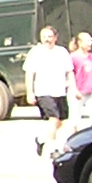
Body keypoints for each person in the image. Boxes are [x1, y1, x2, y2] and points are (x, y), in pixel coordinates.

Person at [23, 24, 71, 156]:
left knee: (61, 122)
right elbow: (29, 73)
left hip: (59, 91)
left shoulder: (62, 52)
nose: (46, 39)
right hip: (43, 91)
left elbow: (69, 71)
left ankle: (42, 140)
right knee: (54, 119)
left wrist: (73, 88)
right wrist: (30, 92)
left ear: (55, 38)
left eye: (49, 36)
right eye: (44, 37)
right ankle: (53, 149)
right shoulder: (35, 52)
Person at [65, 31, 92, 138]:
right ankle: (73, 138)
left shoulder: (90, 56)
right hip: (78, 91)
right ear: (80, 43)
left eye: (91, 40)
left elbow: (91, 73)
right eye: (88, 41)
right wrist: (75, 90)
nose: (90, 43)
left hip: (89, 91)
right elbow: (70, 75)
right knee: (75, 118)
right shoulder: (73, 57)